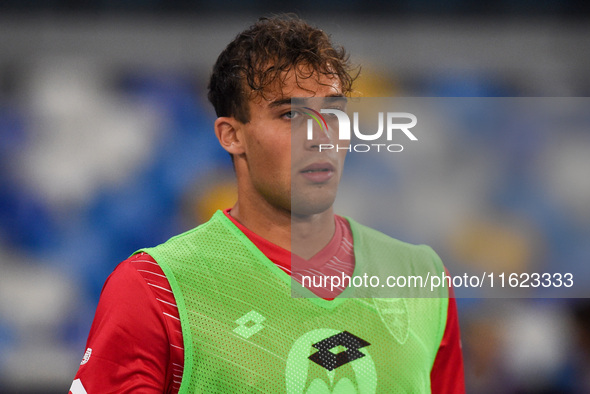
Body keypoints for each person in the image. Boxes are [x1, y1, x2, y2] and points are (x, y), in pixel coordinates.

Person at [70, 14, 464, 393]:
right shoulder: (155, 288)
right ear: (231, 136)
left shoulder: (422, 276)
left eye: (334, 111)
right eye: (291, 114)